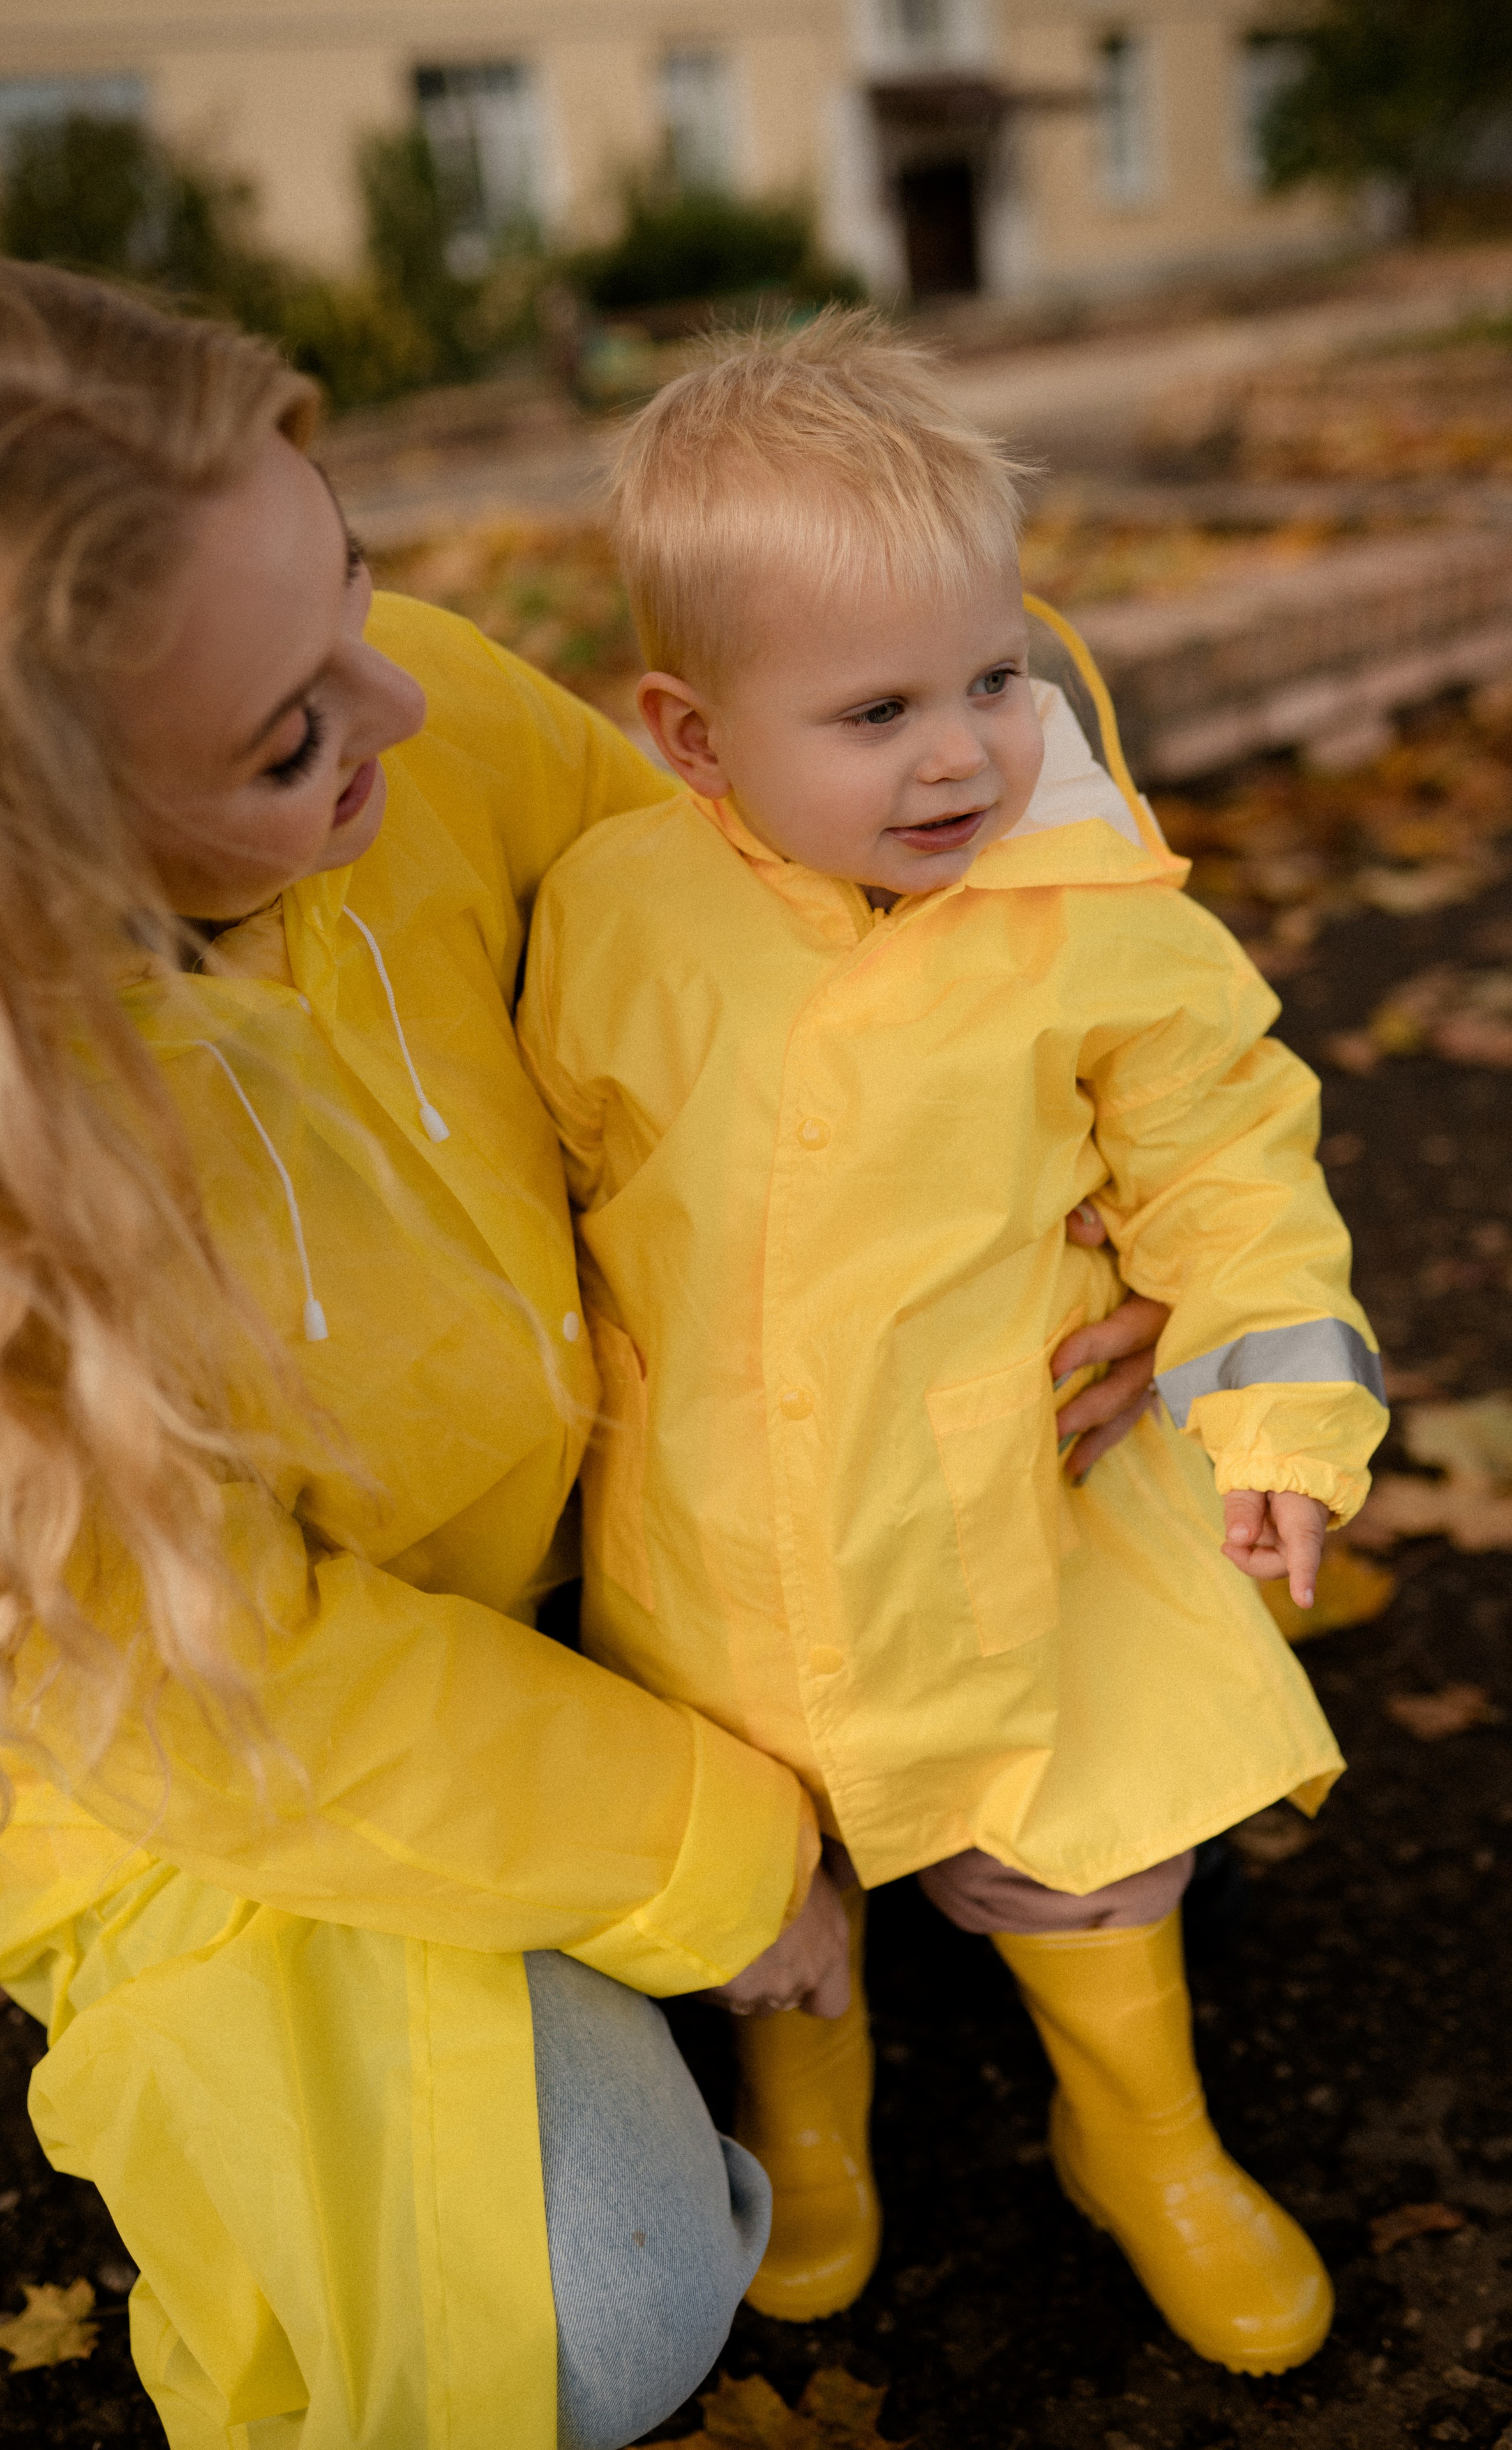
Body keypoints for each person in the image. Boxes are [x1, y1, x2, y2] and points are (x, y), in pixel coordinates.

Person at [0, 257, 1172, 2449]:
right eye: (289, 737)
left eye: (355, 589)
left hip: (645, 1516)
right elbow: (252, 1703)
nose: (404, 707)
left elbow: (793, 895)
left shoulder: (419, 708)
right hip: (257, 1774)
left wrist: (1106, 1203)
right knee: (595, 2307)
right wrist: (718, 1842)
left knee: (1157, 1698)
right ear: (12, 874)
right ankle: (652, 1939)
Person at [516, 312, 1389, 2377]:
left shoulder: (1087, 912)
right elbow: (560, 1167)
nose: (959, 752)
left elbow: (1227, 1151)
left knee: (1094, 1826)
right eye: (880, 707)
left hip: (1017, 1502)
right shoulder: (625, 913)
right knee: (774, 1841)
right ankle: (810, 2137)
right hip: (726, 1514)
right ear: (696, 734)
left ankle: (1140, 2131)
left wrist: (1271, 1395)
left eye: (997, 678)